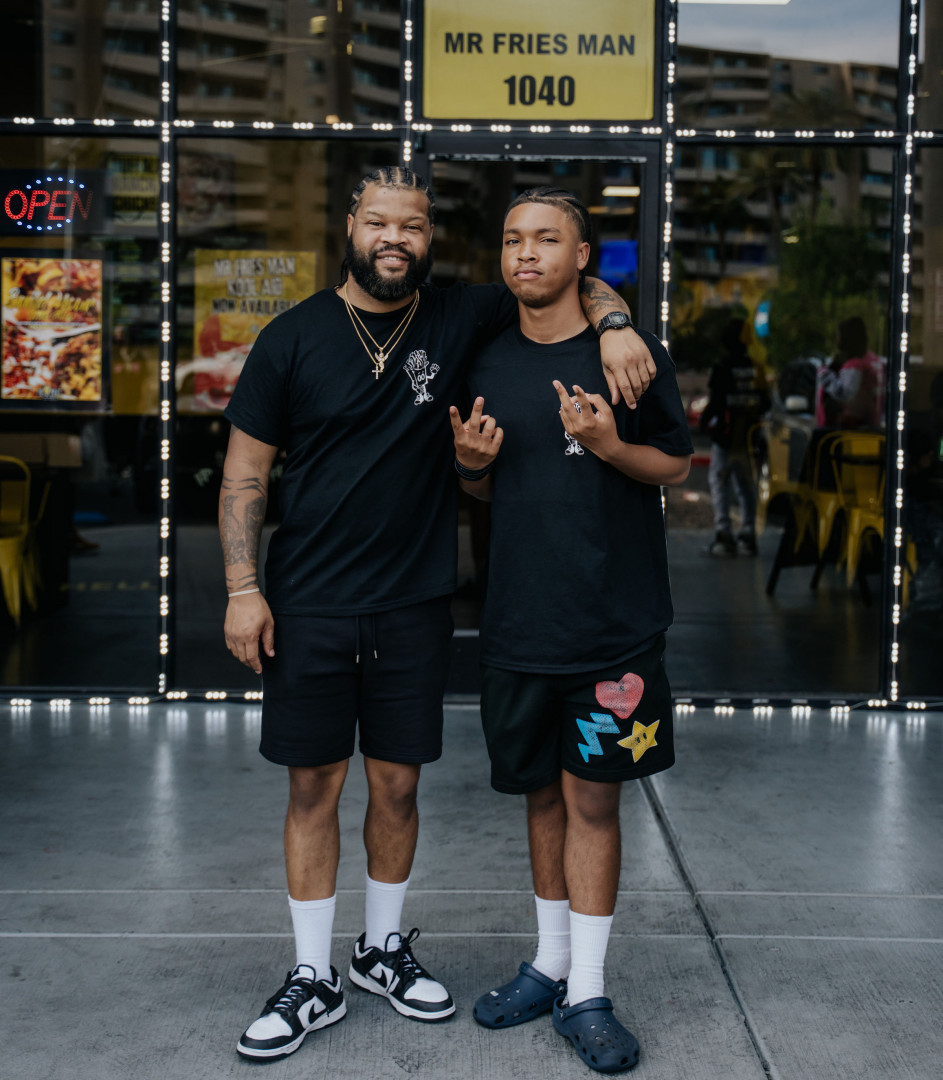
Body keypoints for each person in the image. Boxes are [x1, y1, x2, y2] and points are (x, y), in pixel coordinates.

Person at [219, 166, 657, 1063]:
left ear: (430, 238)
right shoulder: (290, 337)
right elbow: (245, 471)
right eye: (379, 222)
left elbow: (567, 276)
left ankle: (380, 949)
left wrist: (616, 324)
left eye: (412, 226)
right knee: (312, 788)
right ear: (350, 226)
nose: (395, 238)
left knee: (397, 787)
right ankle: (311, 975)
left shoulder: (462, 314)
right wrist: (241, 587)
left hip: (414, 601)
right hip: (307, 601)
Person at [451, 188, 693, 1074]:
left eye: (546, 239)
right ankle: (548, 965)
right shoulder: (483, 355)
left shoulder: (627, 352)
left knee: (593, 800)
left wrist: (608, 445)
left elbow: (674, 462)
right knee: (540, 798)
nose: (526, 253)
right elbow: (487, 484)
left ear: (581, 257)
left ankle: (587, 990)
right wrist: (468, 470)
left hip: (611, 625)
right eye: (513, 238)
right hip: (518, 622)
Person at [700, 317, 770, 556]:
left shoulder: (723, 366)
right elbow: (766, 402)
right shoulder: (756, 367)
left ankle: (724, 535)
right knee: (746, 486)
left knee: (720, 483)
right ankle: (748, 534)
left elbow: (715, 402)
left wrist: (704, 422)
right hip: (748, 439)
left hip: (725, 439)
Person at [815, 316, 885, 430]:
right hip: (865, 425)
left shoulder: (855, 366)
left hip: (849, 428)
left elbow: (844, 393)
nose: (837, 340)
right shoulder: (872, 361)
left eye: (839, 336)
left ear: (846, 338)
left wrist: (824, 373)